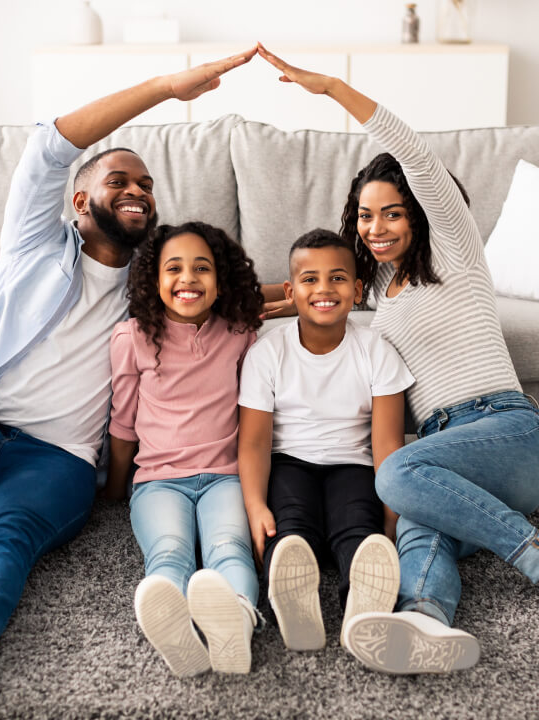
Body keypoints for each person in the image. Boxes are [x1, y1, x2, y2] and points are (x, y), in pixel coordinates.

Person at [0, 48, 257, 715]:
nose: (139, 191)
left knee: (4, 540)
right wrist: (163, 87)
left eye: (148, 185)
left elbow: (234, 296)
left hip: (56, 463)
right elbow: (49, 146)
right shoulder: (34, 243)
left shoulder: (154, 290)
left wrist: (318, 290)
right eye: (122, 179)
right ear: (78, 200)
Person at [257, 42, 539, 674]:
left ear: (420, 213)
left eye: (393, 212)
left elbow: (412, 151)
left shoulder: (456, 250)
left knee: (396, 476)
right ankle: (423, 620)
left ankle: (530, 552)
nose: (376, 227)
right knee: (416, 523)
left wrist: (333, 87)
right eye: (365, 216)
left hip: (508, 429)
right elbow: (313, 285)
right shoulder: (376, 291)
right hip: (441, 452)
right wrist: (242, 301)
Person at [238, 228, 414, 652]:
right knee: (290, 527)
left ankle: (363, 603)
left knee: (357, 527)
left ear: (356, 291)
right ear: (290, 290)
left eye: (337, 278)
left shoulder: (376, 350)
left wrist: (391, 518)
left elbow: (387, 444)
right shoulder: (268, 351)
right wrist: (255, 505)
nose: (324, 289)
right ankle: (294, 603)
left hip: (352, 464)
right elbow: (255, 443)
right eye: (310, 279)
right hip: (289, 462)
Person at [107, 221, 263, 676]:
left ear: (221, 280)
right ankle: (171, 622)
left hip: (226, 477)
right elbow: (123, 424)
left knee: (229, 548)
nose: (188, 278)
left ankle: (237, 624)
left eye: (202, 268)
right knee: (170, 551)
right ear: (154, 280)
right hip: (158, 482)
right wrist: (117, 491)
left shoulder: (240, 333)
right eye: (174, 268)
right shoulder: (131, 337)